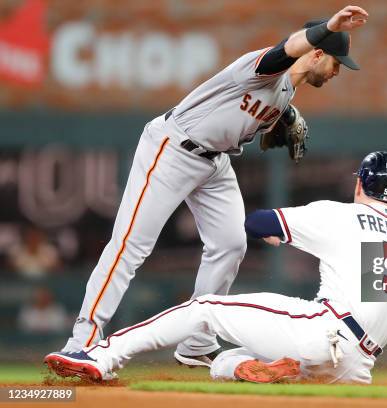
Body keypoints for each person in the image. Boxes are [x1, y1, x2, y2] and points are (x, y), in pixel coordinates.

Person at [58, 5, 370, 369]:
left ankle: (197, 342)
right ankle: (81, 342)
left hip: (215, 162)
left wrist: (285, 116)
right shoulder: (264, 66)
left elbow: (257, 106)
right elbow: (284, 49)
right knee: (131, 245)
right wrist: (330, 26)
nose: (337, 71)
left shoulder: (285, 93)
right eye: (335, 62)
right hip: (174, 147)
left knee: (230, 243)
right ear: (316, 53)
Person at [45, 152, 387, 385]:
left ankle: (101, 356)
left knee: (206, 307)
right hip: (356, 368)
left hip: (322, 330)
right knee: (227, 362)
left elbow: (256, 223)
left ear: (359, 183)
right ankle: (255, 369)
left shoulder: (339, 214)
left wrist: (278, 233)